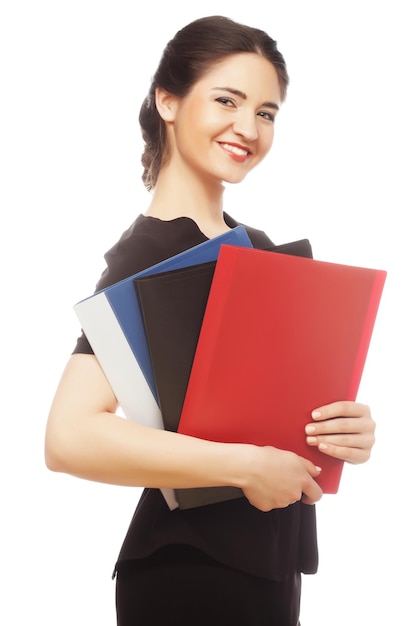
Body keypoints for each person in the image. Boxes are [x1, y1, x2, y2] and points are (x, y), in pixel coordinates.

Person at [44, 15, 376, 626]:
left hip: (268, 567)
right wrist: (245, 466)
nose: (248, 128)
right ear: (167, 101)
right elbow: (68, 437)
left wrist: (342, 430)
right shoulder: (149, 255)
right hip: (189, 577)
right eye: (227, 100)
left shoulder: (260, 249)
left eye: (267, 112)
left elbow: (271, 409)